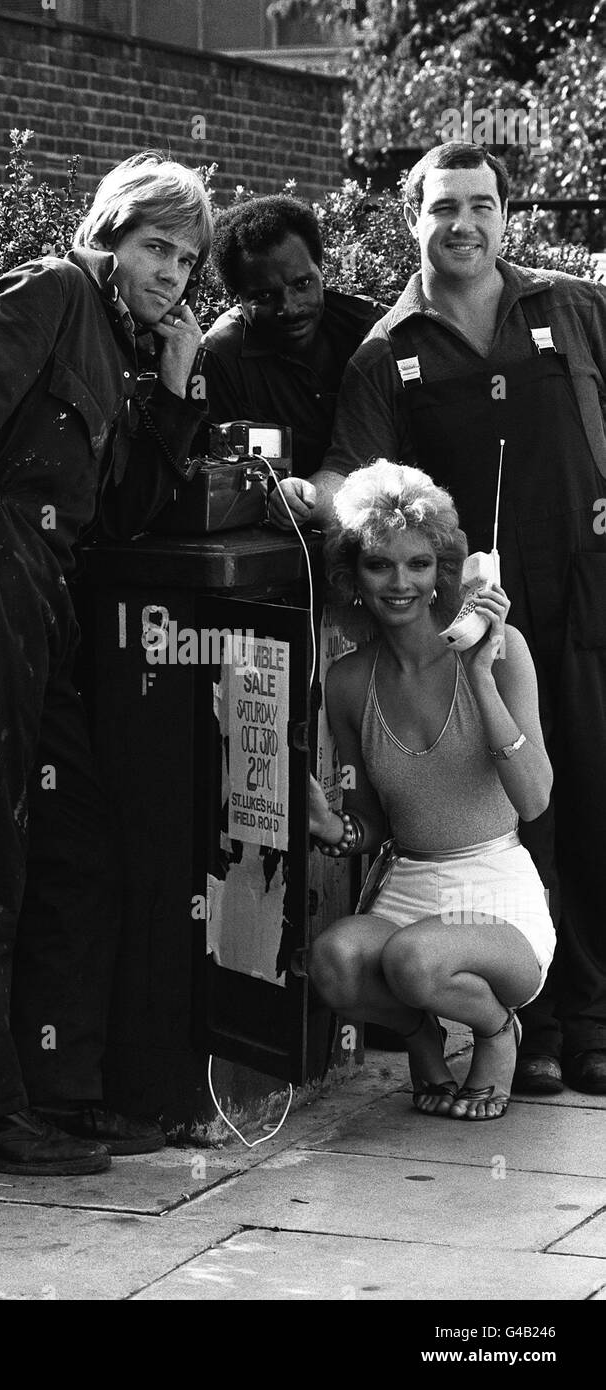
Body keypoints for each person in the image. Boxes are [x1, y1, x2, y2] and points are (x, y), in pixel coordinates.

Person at [0, 154, 213, 1176]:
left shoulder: (120, 348)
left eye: (186, 259)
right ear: (109, 233)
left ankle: (55, 1086)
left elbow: (121, 516)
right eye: (154, 246)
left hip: (48, 598)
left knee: (75, 841)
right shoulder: (53, 289)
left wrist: (171, 385)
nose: (169, 273)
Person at [314, 142, 606, 1096]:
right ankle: (532, 1017)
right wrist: (302, 494)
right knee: (521, 806)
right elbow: (355, 487)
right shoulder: (384, 351)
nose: (463, 225)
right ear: (412, 220)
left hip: (585, 600)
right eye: (443, 208)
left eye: (481, 205)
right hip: (472, 623)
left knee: (595, 800)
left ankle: (590, 1021)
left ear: (506, 214)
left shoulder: (570, 307)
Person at [308, 460, 555, 1121]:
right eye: (378, 565)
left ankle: (496, 1034)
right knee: (332, 960)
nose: (399, 583)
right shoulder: (347, 681)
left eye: (417, 564)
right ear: (350, 576)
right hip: (407, 892)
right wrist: (333, 830)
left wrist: (477, 674)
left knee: (416, 959)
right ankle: (421, 1039)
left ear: (445, 569)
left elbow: (533, 800)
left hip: (495, 902)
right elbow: (368, 825)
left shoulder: (505, 653)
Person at [196, 194, 385, 514]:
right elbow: (214, 484)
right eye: (264, 295)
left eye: (302, 283)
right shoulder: (219, 359)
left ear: (321, 270)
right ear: (235, 296)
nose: (290, 308)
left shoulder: (371, 329)